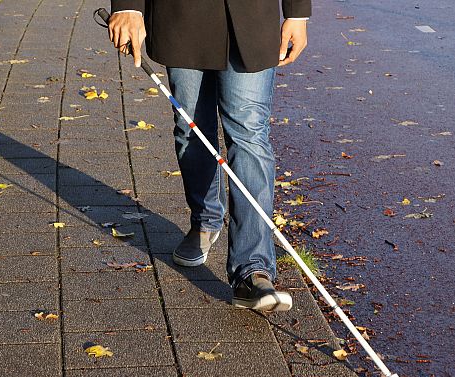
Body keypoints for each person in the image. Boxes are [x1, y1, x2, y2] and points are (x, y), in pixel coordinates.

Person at [108, 1, 310, 311]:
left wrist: (297, 12)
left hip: (253, 18)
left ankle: (252, 270)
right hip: (182, 16)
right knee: (191, 129)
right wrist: (127, 6)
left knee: (250, 135)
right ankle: (205, 220)